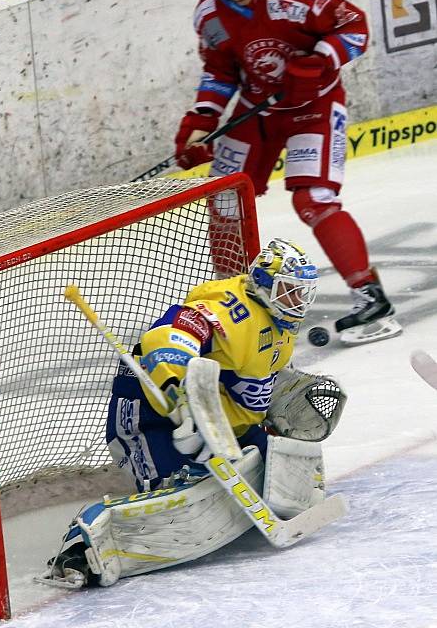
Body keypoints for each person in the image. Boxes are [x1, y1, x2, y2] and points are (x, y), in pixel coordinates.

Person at [44, 239, 346, 588]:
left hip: (222, 423)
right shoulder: (234, 310)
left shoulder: (280, 323)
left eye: (302, 293)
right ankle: (79, 548)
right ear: (264, 283)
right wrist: (178, 388)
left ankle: (220, 450)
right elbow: (169, 335)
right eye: (290, 292)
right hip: (149, 417)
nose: (299, 302)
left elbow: (247, 372)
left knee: (290, 475)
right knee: (175, 504)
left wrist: (275, 393)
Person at [174, 0, 401, 346]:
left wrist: (318, 61)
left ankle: (370, 297)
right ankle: (232, 306)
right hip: (258, 109)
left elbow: (355, 27)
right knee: (225, 198)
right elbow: (220, 71)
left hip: (314, 105)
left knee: (313, 199)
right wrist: (203, 120)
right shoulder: (209, 16)